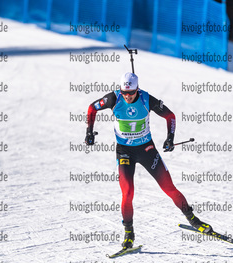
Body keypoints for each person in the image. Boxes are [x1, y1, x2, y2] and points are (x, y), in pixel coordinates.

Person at [85, 72, 213, 250]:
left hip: (146, 149)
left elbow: (171, 116)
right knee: (127, 193)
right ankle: (129, 233)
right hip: (125, 152)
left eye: (131, 93)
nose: (127, 97)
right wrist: (89, 132)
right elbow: (92, 108)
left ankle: (193, 219)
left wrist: (170, 138)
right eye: (124, 93)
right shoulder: (113, 99)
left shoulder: (146, 99)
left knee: (169, 187)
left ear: (137, 90)